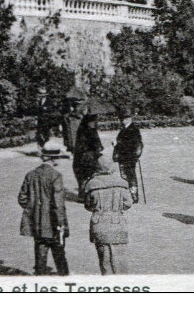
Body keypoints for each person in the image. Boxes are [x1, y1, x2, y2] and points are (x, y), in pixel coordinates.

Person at [18, 140, 70, 276]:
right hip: (53, 223)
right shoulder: (56, 175)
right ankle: (66, 281)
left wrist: (34, 210)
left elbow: (22, 198)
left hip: (36, 222)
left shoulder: (31, 174)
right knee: (59, 253)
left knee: (40, 253)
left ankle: (40, 281)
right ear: (54, 158)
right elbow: (58, 204)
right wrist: (61, 224)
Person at [82, 154, 134, 274]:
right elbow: (128, 204)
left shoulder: (91, 185)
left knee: (105, 261)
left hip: (99, 225)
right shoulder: (122, 184)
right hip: (118, 224)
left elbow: (88, 206)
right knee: (120, 261)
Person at [113, 110, 143, 203]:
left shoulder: (133, 129)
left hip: (129, 157)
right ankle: (128, 196)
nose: (121, 120)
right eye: (121, 118)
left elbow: (135, 144)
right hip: (123, 157)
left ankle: (133, 196)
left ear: (129, 119)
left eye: (123, 118)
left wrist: (118, 143)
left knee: (130, 176)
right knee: (125, 176)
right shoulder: (124, 128)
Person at [73, 113, 103, 189]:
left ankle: (84, 193)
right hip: (85, 157)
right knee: (85, 176)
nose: (95, 123)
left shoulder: (88, 129)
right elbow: (95, 144)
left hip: (84, 156)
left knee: (85, 177)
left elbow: (98, 144)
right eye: (94, 121)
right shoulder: (85, 130)